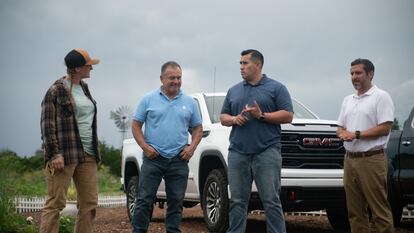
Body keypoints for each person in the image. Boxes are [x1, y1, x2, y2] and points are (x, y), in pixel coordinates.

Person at [220, 49, 293, 233]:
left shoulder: (277, 88)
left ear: (258, 65)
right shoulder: (233, 90)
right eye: (240, 64)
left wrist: (261, 115)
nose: (241, 67)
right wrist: (234, 119)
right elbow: (223, 117)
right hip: (238, 153)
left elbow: (288, 115)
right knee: (237, 201)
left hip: (267, 152)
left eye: (245, 63)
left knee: (271, 200)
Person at [131, 61, 203, 233]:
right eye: (172, 78)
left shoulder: (189, 102)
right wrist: (145, 147)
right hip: (153, 159)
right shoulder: (148, 99)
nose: (176, 81)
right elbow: (135, 125)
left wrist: (191, 148)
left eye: (179, 78)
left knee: (176, 202)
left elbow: (198, 128)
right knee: (144, 200)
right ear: (162, 78)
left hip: (178, 160)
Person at [40, 48, 101, 233]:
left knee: (89, 204)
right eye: (88, 65)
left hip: (88, 154)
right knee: (55, 203)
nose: (92, 68)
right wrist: (54, 153)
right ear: (77, 68)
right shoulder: (55, 90)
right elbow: (47, 125)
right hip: (64, 154)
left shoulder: (84, 88)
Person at [337, 58, 395, 233]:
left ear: (370, 74)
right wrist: (341, 133)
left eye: (358, 73)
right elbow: (340, 126)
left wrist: (355, 134)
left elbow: (385, 128)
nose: (354, 77)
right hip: (350, 160)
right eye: (352, 73)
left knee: (379, 211)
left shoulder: (381, 97)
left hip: (371, 160)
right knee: (355, 213)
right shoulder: (348, 99)